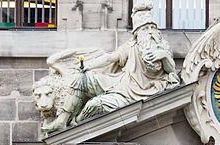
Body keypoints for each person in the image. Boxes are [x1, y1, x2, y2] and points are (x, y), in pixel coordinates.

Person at [42, 0, 178, 133]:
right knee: (81, 79)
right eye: (145, 28)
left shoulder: (163, 47)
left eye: (152, 28)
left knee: (94, 105)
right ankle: (62, 120)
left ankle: (76, 126)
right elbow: (109, 58)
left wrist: (164, 56)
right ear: (137, 33)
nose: (149, 31)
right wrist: (88, 65)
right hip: (122, 86)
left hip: (135, 97)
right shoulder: (130, 47)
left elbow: (172, 72)